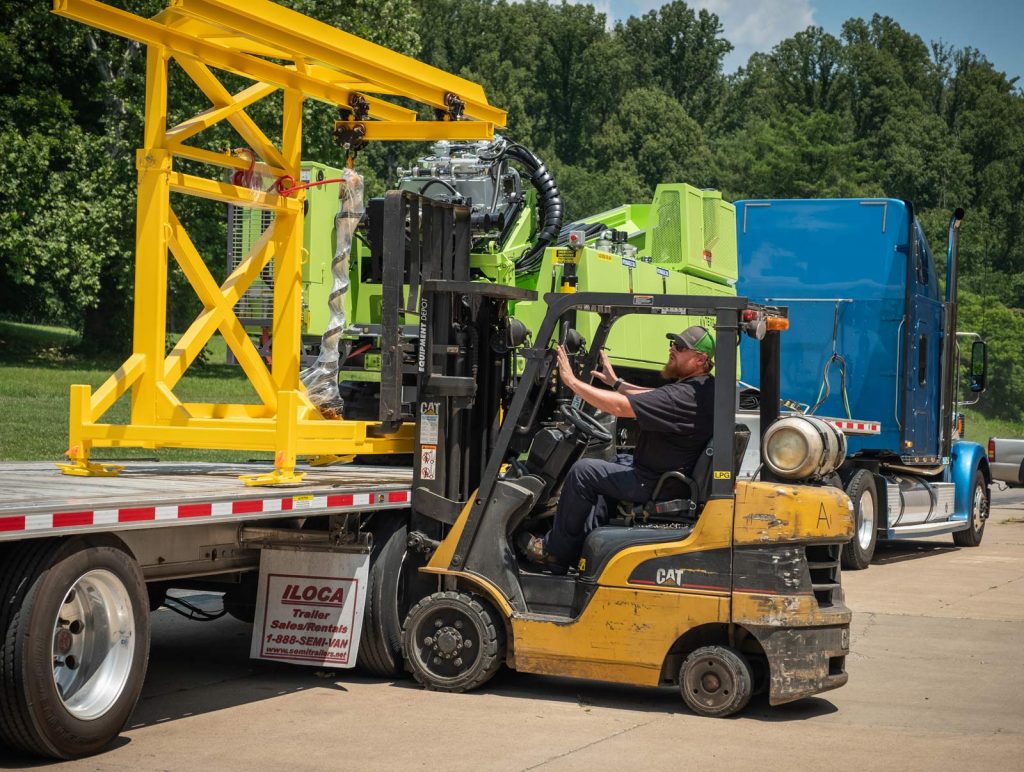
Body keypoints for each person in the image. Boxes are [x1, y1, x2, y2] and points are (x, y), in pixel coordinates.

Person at [517, 325, 717, 570]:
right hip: (665, 478)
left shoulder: (683, 396)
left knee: (583, 472)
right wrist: (616, 382)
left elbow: (621, 408)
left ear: (700, 359)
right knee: (612, 462)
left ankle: (555, 552)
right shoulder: (702, 389)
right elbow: (650, 396)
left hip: (654, 484)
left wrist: (572, 383)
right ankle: (583, 548)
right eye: (673, 344)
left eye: (681, 347)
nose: (672, 349)